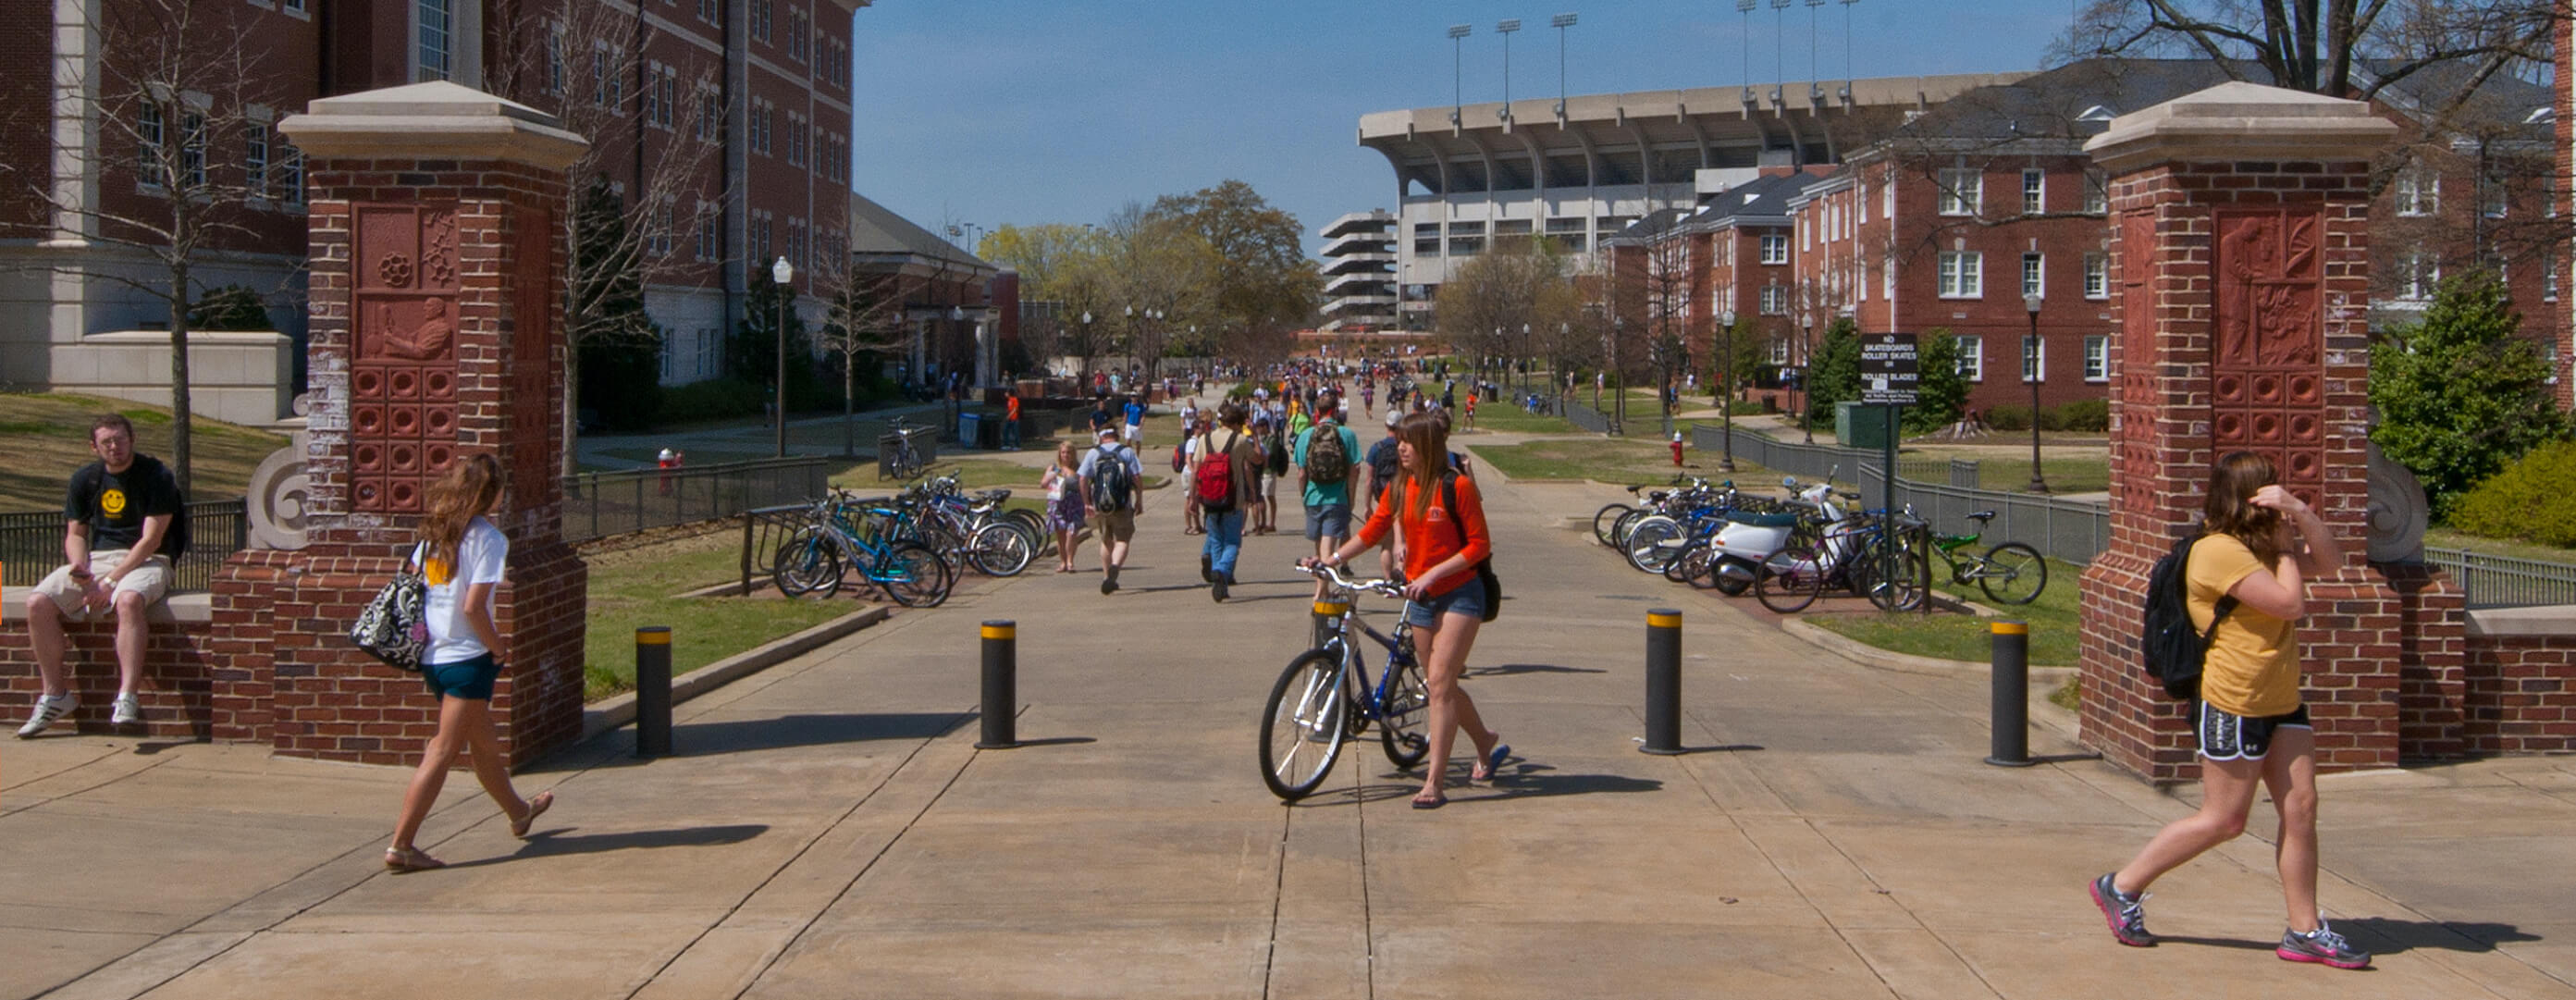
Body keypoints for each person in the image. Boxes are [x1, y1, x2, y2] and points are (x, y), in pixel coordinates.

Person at [2089, 451, 2368, 969]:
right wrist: (2285, 548)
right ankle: (2121, 886)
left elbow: (2332, 563)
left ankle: (2305, 930)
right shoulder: (2218, 551)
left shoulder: (2261, 548)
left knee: (2301, 809)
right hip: (2233, 701)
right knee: (2224, 820)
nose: (2278, 501)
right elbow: (2290, 604)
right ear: (2249, 498)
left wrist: (2302, 514)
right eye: (2272, 491)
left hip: (2281, 700)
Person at [1309, 413, 1504, 809]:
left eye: (1409, 441)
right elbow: (1371, 532)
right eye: (1399, 440)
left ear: (1428, 445)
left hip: (1460, 594)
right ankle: (1484, 741)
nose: (1401, 448)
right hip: (1421, 597)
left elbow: (1479, 545)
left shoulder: (1457, 486)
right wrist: (1331, 560)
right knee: (1439, 686)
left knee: (1440, 681)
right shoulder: (1401, 487)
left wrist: (1433, 574)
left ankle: (1434, 782)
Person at [385, 452, 553, 872]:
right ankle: (402, 845)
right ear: (492, 494)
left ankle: (519, 812)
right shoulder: (489, 539)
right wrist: (498, 648)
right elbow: (474, 606)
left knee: (484, 744)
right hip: (467, 658)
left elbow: (416, 582)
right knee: (442, 750)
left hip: (433, 657)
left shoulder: (435, 534)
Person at [18, 414, 187, 736]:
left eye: (120, 439)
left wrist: (109, 582)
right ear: (94, 447)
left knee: (128, 600)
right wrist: (80, 568)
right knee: (38, 602)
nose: (114, 447)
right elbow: (76, 533)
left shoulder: (156, 475)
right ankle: (55, 695)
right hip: (99, 559)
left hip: (150, 560)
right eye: (106, 441)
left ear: (133, 439)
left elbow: (151, 540)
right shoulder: (85, 479)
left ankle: (127, 697)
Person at [1190, 402, 1263, 602]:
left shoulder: (1205, 439)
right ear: (1238, 423)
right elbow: (1258, 459)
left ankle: (1218, 579)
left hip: (1210, 499)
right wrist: (1255, 435)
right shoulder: (1240, 440)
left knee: (1215, 540)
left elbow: (1196, 470)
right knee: (1232, 542)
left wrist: (1193, 498)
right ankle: (1222, 571)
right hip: (1233, 500)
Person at [1295, 393, 1362, 601]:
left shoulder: (1306, 435)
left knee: (1321, 547)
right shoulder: (1346, 435)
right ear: (1335, 411)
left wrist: (1304, 495)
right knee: (1327, 549)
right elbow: (1354, 471)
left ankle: (1321, 590)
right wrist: (1351, 498)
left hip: (1313, 498)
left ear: (1317, 411)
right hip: (1337, 498)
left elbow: (1301, 473)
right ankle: (1320, 593)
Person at [1078, 426, 1144, 594]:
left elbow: (1083, 479)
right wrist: (1139, 499)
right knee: (1122, 539)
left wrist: (1086, 502)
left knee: (1106, 540)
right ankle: (1115, 566)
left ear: (1101, 437)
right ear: (1116, 435)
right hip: (1122, 504)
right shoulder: (1127, 452)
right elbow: (1136, 477)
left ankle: (1107, 576)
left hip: (1101, 505)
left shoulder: (1093, 453)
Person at [1362, 410, 1404, 581]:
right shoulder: (1405, 448)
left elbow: (1369, 479)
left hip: (1383, 500)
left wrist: (1367, 506)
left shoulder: (1377, 448)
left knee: (1387, 544)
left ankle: (1388, 580)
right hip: (1404, 499)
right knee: (1403, 541)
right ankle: (1402, 575)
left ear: (1386, 425)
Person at [1040, 441, 1088, 574]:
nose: (1066, 455)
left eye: (1068, 453)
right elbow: (1043, 484)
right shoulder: (1054, 468)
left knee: (1072, 533)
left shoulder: (1079, 468)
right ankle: (1063, 562)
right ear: (1059, 454)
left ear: (1073, 454)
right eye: (1063, 452)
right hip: (1057, 504)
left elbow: (1084, 486)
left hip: (1074, 504)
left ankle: (1070, 561)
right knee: (1060, 535)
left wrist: (1087, 503)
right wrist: (1052, 476)